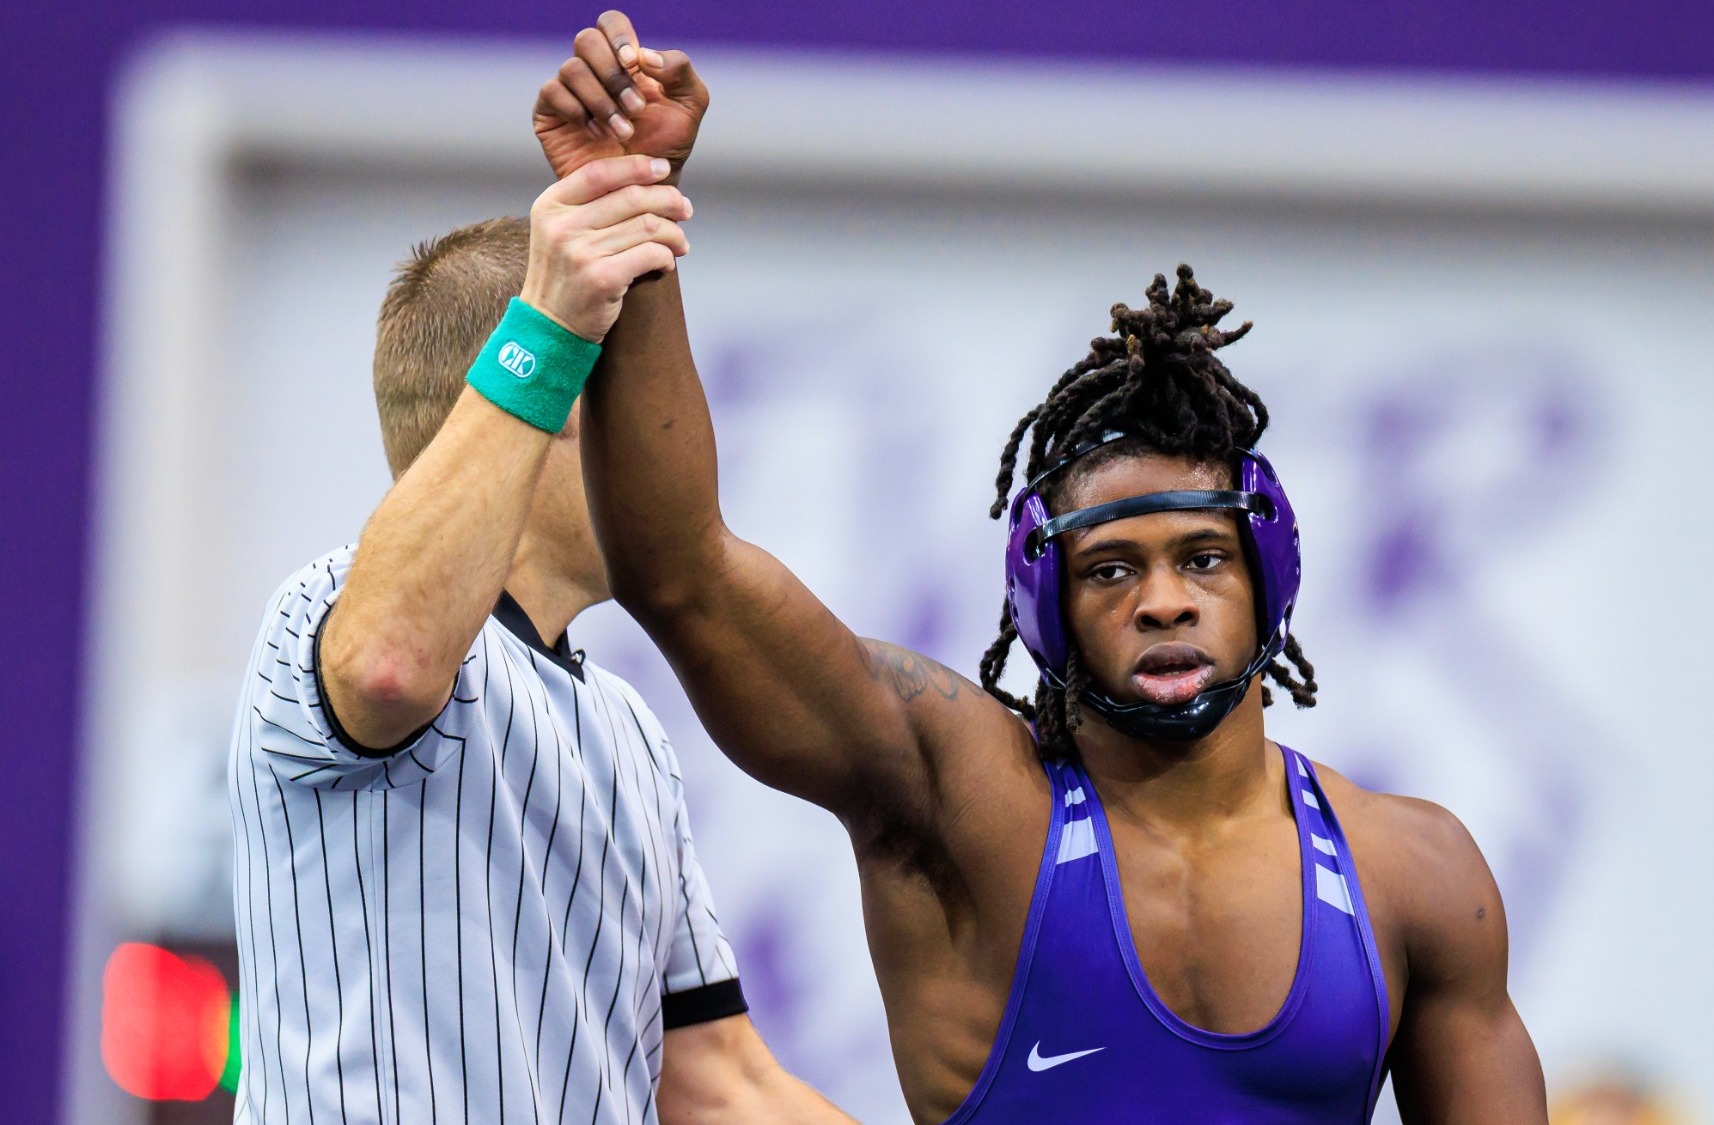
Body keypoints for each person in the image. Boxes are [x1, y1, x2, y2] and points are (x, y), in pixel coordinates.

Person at [539, 13, 1549, 1123]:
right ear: (1044, 603)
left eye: (1201, 558)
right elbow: (681, 574)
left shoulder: (1414, 873)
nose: (1162, 599)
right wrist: (629, 211)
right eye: (1110, 571)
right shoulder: (960, 799)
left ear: (1268, 572)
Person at [227, 145, 852, 1123]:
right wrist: (554, 321)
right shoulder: (324, 606)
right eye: (639, 406)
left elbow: (722, 1087)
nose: (674, 448)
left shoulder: (632, 733)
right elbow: (391, 667)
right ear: (556, 404)